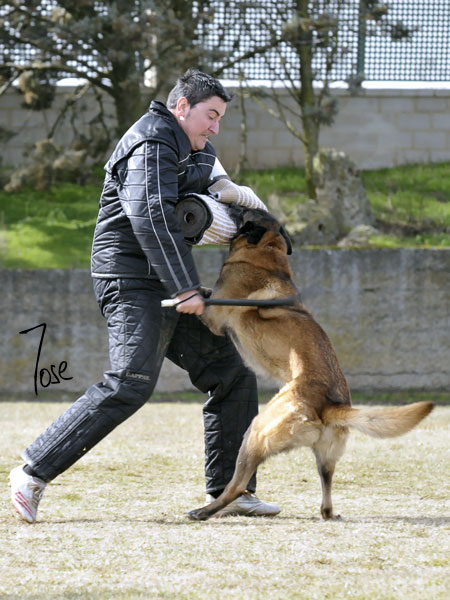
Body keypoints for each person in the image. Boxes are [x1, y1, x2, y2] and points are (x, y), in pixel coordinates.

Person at [10, 69, 280, 523]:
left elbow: (218, 200)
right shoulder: (151, 142)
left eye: (220, 118)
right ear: (181, 107)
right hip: (129, 278)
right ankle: (31, 472)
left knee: (231, 372)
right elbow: (150, 215)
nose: (215, 127)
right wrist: (186, 287)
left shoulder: (196, 150)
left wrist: (244, 207)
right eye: (211, 115)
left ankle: (231, 492)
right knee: (130, 380)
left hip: (163, 281)